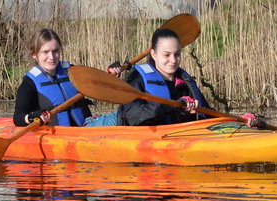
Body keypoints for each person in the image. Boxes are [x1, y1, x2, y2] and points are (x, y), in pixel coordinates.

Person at [89, 28, 260, 127]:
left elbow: (209, 115)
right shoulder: (137, 77)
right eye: (167, 55)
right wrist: (175, 106)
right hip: (117, 127)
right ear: (154, 54)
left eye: (177, 54)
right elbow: (134, 118)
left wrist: (240, 122)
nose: (173, 60)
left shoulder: (184, 80)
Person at [13, 28, 92, 127]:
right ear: (34, 54)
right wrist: (34, 117)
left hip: (87, 128)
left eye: (55, 51)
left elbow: (97, 83)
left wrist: (112, 72)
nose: (51, 57)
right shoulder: (29, 83)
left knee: (117, 115)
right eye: (45, 52)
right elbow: (18, 117)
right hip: (57, 135)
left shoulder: (72, 72)